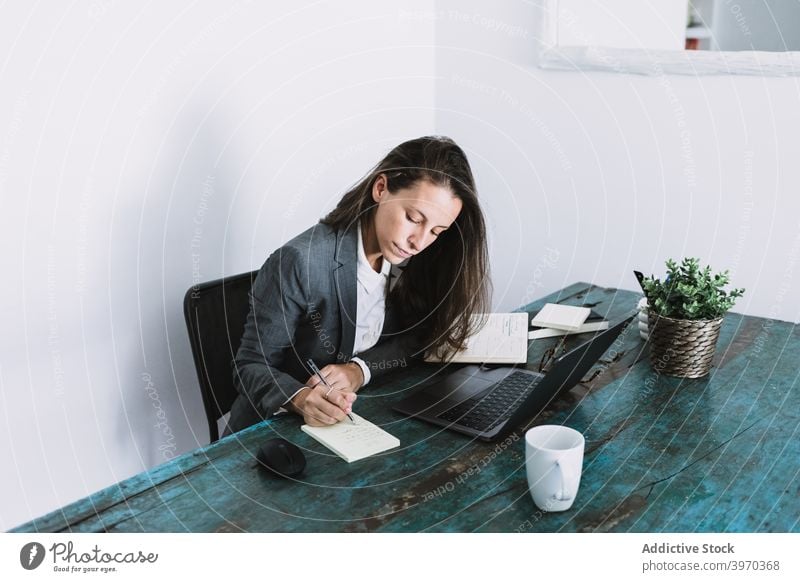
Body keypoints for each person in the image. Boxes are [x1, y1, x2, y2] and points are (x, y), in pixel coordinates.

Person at [227, 136, 490, 433]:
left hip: (350, 423)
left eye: (437, 231)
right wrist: (301, 398)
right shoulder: (300, 261)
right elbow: (250, 365)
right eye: (413, 218)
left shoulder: (412, 257)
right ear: (381, 189)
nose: (419, 242)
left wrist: (359, 370)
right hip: (269, 432)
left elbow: (418, 334)